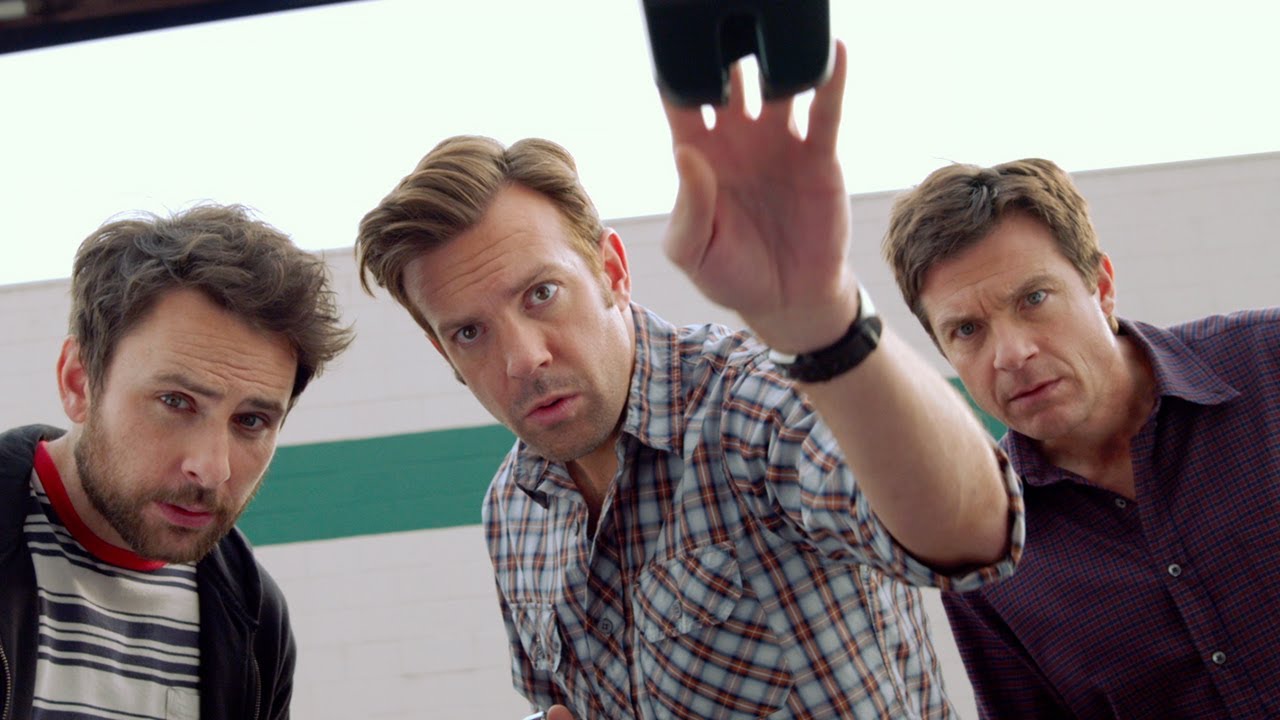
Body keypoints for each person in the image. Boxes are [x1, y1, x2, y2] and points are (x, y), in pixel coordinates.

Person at [355, 42, 1023, 719]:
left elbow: (975, 534)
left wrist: (830, 321)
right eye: (470, 333)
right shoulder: (512, 509)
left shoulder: (756, 403)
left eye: (541, 294)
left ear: (612, 271)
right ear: (444, 352)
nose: (521, 359)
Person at [882, 157, 1280, 718]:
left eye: (1034, 299)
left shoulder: (1269, 365)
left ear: (1103, 287)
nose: (1011, 354)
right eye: (967, 330)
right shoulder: (983, 546)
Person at [0, 204, 352, 720]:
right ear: (80, 383)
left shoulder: (255, 621)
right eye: (175, 402)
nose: (212, 469)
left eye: (250, 421)